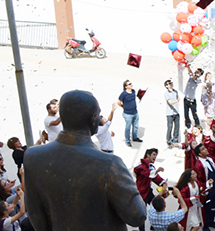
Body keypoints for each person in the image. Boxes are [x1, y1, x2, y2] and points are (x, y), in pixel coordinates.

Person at [24, 90, 146, 230]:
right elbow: (137, 216)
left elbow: (35, 214)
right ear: (93, 119)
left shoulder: (33, 157)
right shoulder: (110, 165)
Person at [135, 148, 167, 231]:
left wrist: (163, 183)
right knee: (142, 214)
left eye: (156, 155)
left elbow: (155, 177)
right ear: (148, 155)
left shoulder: (151, 167)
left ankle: (153, 228)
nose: (155, 156)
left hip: (148, 192)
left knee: (159, 207)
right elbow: (147, 173)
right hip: (141, 193)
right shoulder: (139, 166)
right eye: (154, 154)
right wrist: (156, 171)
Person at [119, 79, 142, 147]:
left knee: (135, 126)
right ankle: (127, 140)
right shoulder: (124, 94)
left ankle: (135, 137)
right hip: (127, 114)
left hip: (135, 112)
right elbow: (119, 102)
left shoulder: (133, 91)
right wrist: (124, 107)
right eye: (129, 84)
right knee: (128, 127)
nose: (131, 85)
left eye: (131, 83)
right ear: (126, 86)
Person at [164, 79, 182, 146]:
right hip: (170, 113)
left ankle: (175, 139)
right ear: (166, 86)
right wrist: (177, 100)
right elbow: (170, 103)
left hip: (176, 112)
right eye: (169, 83)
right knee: (170, 127)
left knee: (177, 127)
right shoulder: (166, 93)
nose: (171, 84)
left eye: (171, 82)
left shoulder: (175, 91)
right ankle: (168, 140)